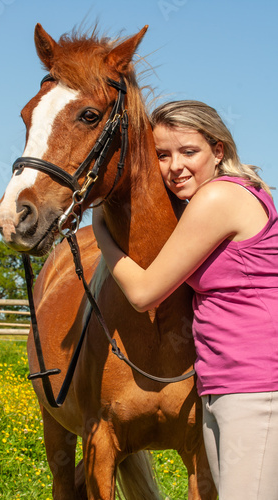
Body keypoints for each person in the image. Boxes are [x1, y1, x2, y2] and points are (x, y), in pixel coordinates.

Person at [92, 100, 278, 499]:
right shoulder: (220, 198)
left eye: (188, 151)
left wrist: (101, 233)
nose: (174, 166)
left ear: (219, 150)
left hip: (257, 383)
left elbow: (143, 293)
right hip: (225, 381)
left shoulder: (219, 198)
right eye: (162, 154)